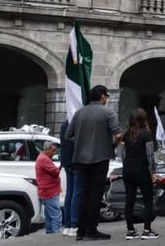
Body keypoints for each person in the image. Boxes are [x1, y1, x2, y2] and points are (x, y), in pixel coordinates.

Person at [66, 85, 123, 241]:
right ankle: (91, 230)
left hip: (80, 159)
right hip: (100, 158)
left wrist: (82, 142)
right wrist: (111, 145)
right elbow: (118, 134)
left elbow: (68, 135)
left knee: (83, 193)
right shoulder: (107, 112)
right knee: (95, 194)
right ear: (103, 97)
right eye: (106, 97)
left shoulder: (79, 113)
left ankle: (80, 230)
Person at [118, 108, 158, 240]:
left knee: (129, 200)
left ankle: (130, 230)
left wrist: (126, 166)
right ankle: (147, 230)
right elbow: (150, 155)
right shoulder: (146, 134)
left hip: (128, 170)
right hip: (142, 170)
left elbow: (123, 154)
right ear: (144, 119)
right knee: (147, 200)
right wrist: (153, 172)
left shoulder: (126, 134)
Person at [35, 140, 63, 234]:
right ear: (47, 149)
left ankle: (50, 234)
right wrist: (59, 168)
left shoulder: (42, 158)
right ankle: (56, 234)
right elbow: (55, 172)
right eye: (53, 150)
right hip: (49, 191)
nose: (54, 153)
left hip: (46, 191)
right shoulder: (44, 159)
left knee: (49, 215)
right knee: (56, 214)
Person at [59, 118, 79, 237]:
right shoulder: (76, 123)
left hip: (66, 162)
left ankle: (67, 225)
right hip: (76, 161)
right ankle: (74, 224)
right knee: (77, 193)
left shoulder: (64, 124)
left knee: (70, 192)